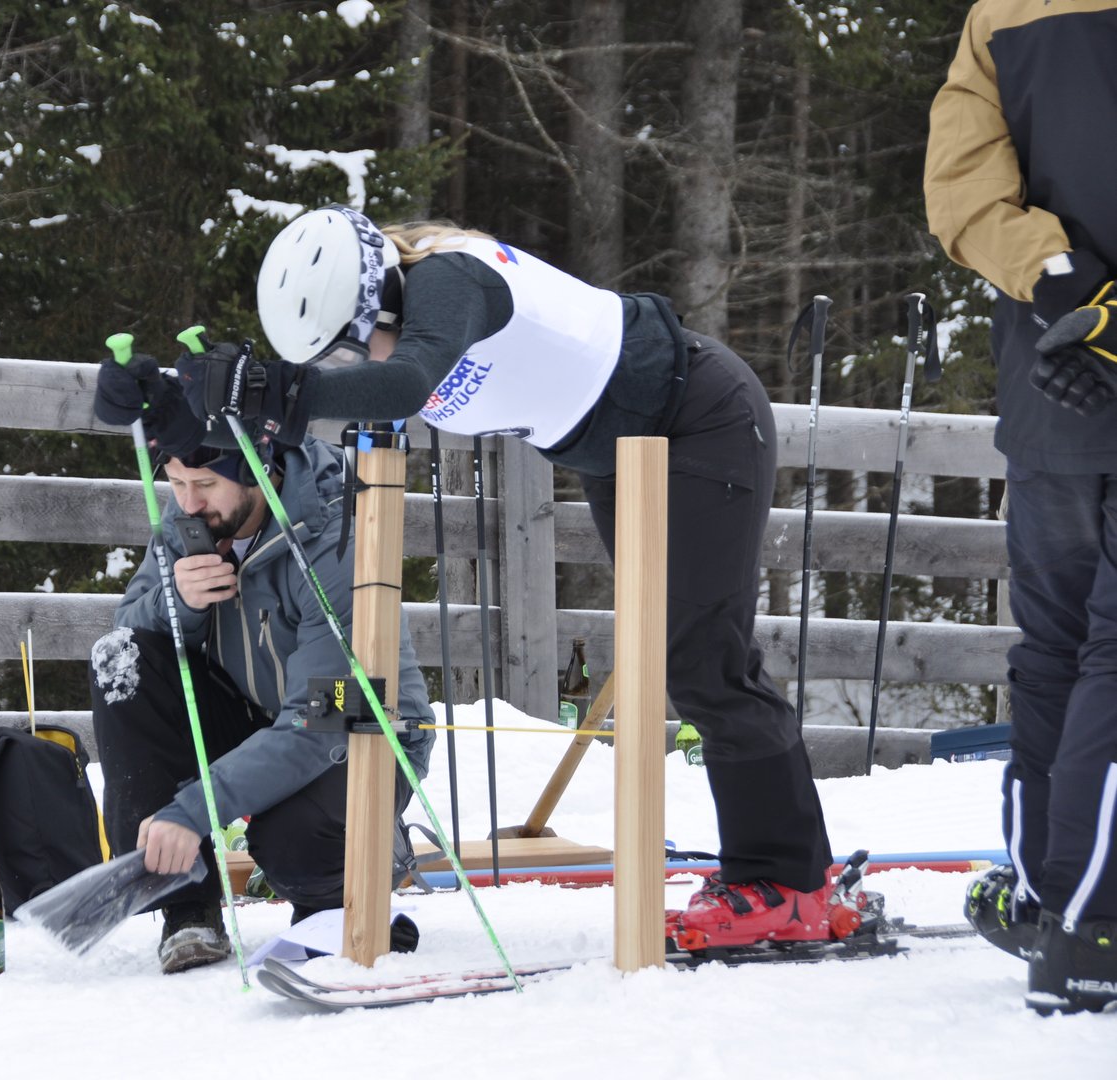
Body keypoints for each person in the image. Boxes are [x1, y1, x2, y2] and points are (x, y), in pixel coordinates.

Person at [179, 203, 856, 951]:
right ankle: (782, 875)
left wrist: (281, 392)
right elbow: (344, 402)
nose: (352, 372)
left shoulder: (449, 280)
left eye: (350, 350)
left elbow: (406, 382)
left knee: (705, 656)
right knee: (679, 651)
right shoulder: (403, 322)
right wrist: (170, 394)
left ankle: (786, 882)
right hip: (617, 447)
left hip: (697, 413)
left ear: (382, 297)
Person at [925, 0, 1117, 1015]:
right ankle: (1092, 923)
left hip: (1052, 377)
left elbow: (962, 188)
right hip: (1072, 367)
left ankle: (1049, 901)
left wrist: (1063, 286)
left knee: (1057, 649)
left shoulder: (1004, 11)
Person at [81, 437, 433, 974]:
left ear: (257, 470)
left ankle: (344, 886)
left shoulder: (334, 539)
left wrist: (192, 810)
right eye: (176, 483)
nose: (189, 501)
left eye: (205, 484)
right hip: (251, 713)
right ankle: (188, 909)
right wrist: (181, 602)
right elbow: (129, 627)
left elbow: (322, 720)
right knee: (121, 660)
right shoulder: (189, 520)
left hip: (356, 725)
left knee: (292, 844)